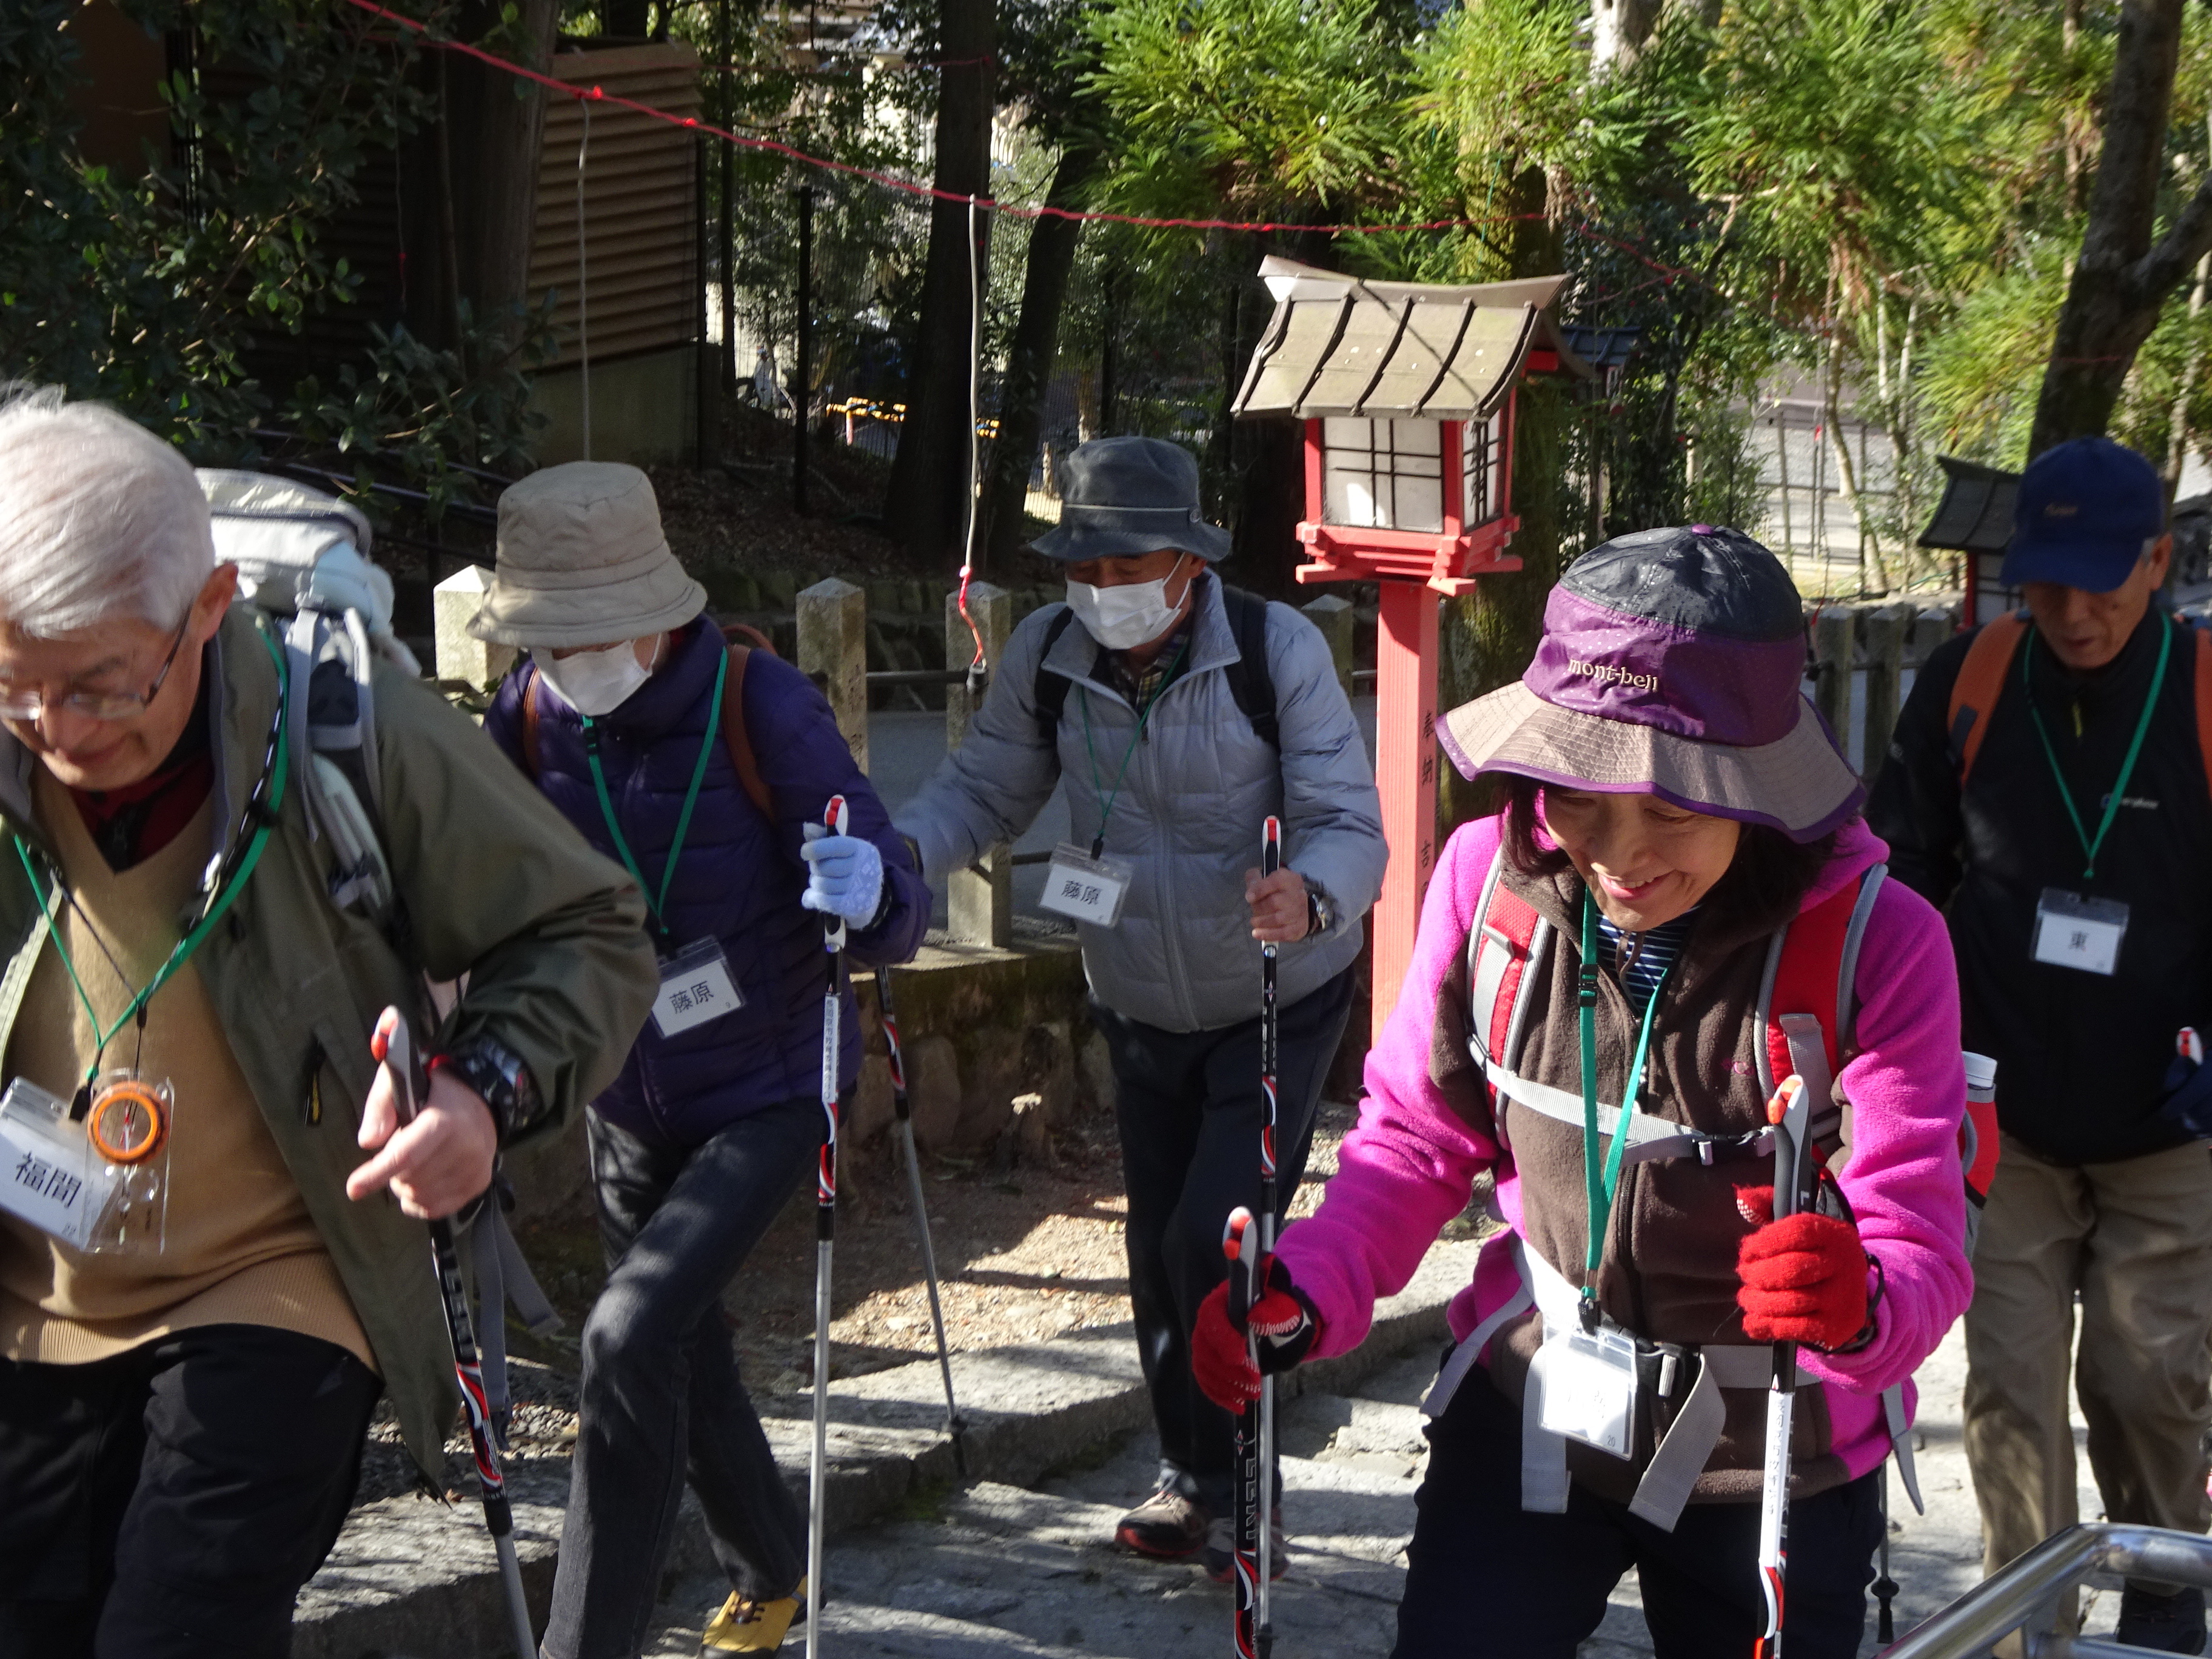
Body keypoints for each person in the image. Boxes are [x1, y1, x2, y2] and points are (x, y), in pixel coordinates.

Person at [1193, 526, 1973, 1657]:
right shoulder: (1487, 882)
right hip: (1537, 1397)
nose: (1618, 854)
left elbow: (1920, 1251)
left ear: (1758, 788)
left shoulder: (1879, 944)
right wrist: (1306, 1287)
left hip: (1774, 1454)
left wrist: (1855, 1304)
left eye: (1676, 806)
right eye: (1581, 795)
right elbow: (1415, 1139)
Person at [0, 394, 659, 1658]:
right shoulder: (14, 739)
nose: (62, 733)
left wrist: (479, 1093)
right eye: (20, 688)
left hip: (282, 1269)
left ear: (210, 606)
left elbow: (591, 933)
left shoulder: (353, 737)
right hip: (40, 1281)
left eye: (101, 683)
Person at [896, 435, 1386, 1576]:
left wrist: (1311, 895)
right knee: (1152, 1243)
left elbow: (1347, 819)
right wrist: (892, 860)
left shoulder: (1277, 649)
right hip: (1135, 992)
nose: (1105, 589)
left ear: (1189, 561)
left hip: (1276, 990)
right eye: (1089, 566)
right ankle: (1190, 1480)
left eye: (1130, 565)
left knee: (1216, 1238)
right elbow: (984, 789)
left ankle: (1245, 1475)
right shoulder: (1049, 651)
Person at [471, 461, 929, 1658]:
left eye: (586, 635)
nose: (566, 663)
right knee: (680, 1341)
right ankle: (776, 1570)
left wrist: (871, 890)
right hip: (623, 1095)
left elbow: (892, 896)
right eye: (545, 639)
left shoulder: (757, 701)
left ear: (655, 614)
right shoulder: (523, 719)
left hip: (774, 1085)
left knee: (625, 1336)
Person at [1868, 436, 2212, 1653]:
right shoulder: (1970, 678)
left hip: (2169, 1124)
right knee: (2010, 1391)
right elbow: (1901, 870)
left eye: (2100, 581)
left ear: (2160, 561)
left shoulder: (2205, 692)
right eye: (2045, 580)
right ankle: (2028, 1637)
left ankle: (2169, 1609)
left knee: (2146, 1384)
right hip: (1998, 1115)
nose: (2069, 610)